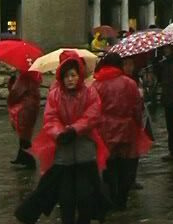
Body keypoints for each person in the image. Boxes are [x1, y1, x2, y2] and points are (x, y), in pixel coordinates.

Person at [15, 51, 107, 224]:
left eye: (73, 75)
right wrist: (59, 133)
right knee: (66, 198)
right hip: (63, 154)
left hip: (84, 152)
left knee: (85, 195)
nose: (70, 79)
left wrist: (75, 129)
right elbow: (50, 118)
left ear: (79, 75)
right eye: (66, 76)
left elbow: (93, 114)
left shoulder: (90, 93)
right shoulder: (55, 95)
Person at [92, 52, 152, 211]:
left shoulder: (96, 85)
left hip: (105, 129)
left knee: (110, 165)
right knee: (126, 166)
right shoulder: (129, 83)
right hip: (127, 128)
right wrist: (138, 125)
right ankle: (122, 199)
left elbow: (93, 109)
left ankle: (111, 196)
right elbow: (136, 108)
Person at [7, 69, 42, 168]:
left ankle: (30, 162)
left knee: (24, 136)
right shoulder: (33, 76)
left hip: (24, 108)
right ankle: (22, 157)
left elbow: (15, 92)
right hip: (31, 107)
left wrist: (11, 83)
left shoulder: (24, 77)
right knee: (25, 134)